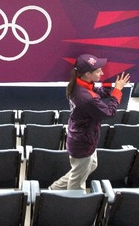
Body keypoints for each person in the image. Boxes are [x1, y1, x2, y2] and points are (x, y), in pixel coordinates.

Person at [49, 54, 130, 190]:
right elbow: (109, 112)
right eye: (98, 71)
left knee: (90, 166)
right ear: (87, 74)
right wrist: (118, 90)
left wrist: (109, 82)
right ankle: (74, 204)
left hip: (84, 137)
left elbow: (101, 92)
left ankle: (54, 188)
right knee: (77, 183)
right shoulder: (86, 97)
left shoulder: (81, 85)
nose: (102, 73)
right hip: (83, 142)